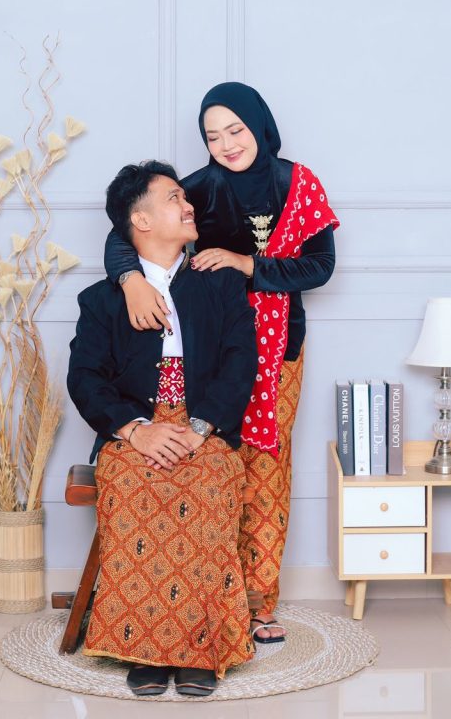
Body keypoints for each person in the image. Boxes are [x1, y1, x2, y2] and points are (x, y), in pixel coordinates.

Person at [104, 83, 339, 643]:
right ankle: (207, 594)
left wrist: (246, 262)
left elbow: (321, 267)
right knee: (212, 459)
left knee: (267, 470)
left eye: (236, 130)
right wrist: (131, 280)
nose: (227, 144)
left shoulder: (297, 184)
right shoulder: (199, 190)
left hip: (279, 349)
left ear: (259, 125)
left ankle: (258, 603)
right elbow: (127, 230)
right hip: (207, 345)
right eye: (213, 136)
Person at [67, 161, 257, 697]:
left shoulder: (220, 284)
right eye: (175, 197)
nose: (189, 204)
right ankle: (143, 647)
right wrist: (134, 430)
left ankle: (199, 650)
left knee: (209, 482)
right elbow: (84, 378)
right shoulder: (103, 299)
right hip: (135, 431)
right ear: (141, 220)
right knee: (134, 484)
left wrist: (200, 426)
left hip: (205, 427)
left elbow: (241, 362)